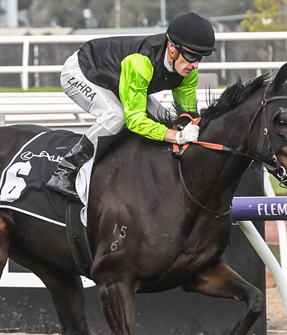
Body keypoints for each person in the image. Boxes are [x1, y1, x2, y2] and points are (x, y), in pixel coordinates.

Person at [47, 12, 216, 200]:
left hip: (118, 79)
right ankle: (65, 171)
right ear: (172, 48)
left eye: (201, 57)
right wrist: (176, 136)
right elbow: (134, 121)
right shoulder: (141, 62)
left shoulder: (189, 71)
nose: (196, 65)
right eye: (192, 55)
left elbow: (187, 114)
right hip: (82, 71)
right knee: (116, 117)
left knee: (165, 120)